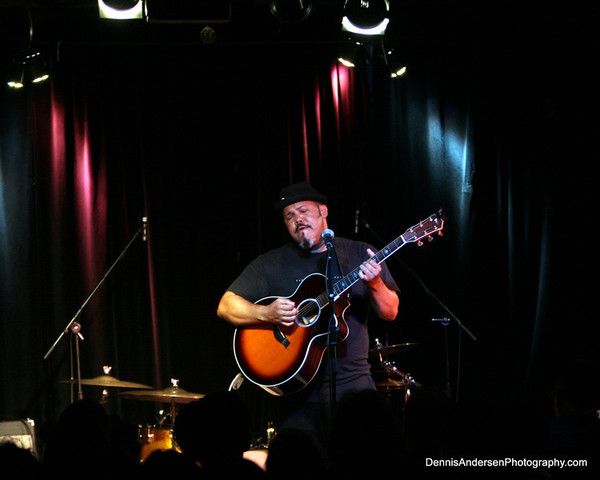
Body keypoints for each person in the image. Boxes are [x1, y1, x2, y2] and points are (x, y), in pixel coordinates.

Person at [217, 181, 400, 445]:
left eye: (303, 211)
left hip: (355, 389)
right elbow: (226, 306)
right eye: (289, 216)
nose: (298, 219)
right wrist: (266, 313)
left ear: (323, 211)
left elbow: (390, 312)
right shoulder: (271, 263)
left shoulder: (359, 252)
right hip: (298, 401)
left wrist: (375, 283)